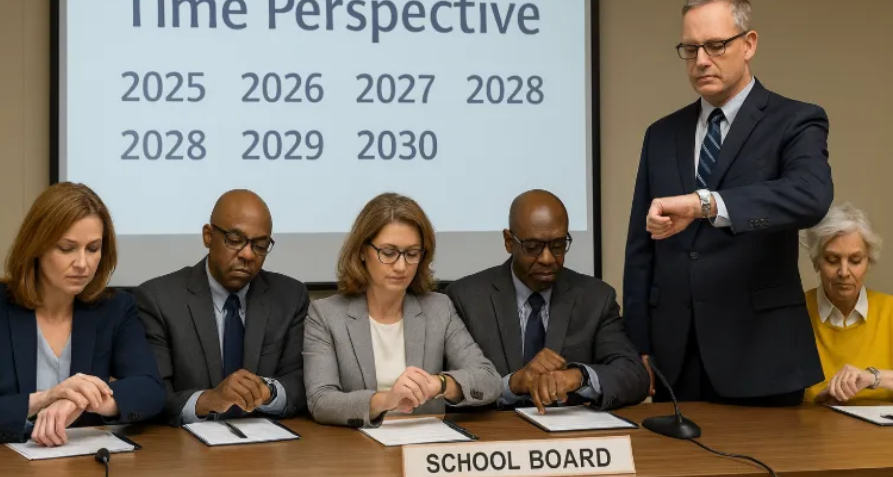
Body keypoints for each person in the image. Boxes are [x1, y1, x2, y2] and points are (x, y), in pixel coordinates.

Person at [623, 0, 833, 406]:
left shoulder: (794, 120)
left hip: (760, 354)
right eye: (690, 49)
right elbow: (640, 249)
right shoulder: (661, 134)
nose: (701, 60)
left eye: (716, 46)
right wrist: (637, 346)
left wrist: (706, 204)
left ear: (748, 44)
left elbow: (811, 196)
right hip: (674, 357)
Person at [303, 193, 500, 427]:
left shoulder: (439, 309)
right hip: (358, 443)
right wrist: (386, 400)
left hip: (426, 442)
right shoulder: (325, 315)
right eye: (388, 253)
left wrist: (439, 384)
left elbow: (489, 380)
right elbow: (321, 401)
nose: (401, 266)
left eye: (412, 254)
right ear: (362, 251)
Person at [447, 190, 649, 413]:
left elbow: (634, 375)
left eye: (558, 245)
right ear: (509, 242)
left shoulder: (596, 298)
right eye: (533, 247)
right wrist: (511, 385)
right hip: (495, 430)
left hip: (571, 432)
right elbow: (452, 389)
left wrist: (579, 376)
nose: (547, 258)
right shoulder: (467, 299)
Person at [0, 182, 165, 445]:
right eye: (67, 248)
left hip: (82, 458)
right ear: (36, 247)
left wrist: (85, 400)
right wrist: (45, 398)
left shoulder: (115, 308)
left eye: (93, 248)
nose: (82, 263)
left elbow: (151, 390)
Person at [135, 189, 308, 425]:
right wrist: (210, 400)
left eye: (260, 245)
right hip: (186, 443)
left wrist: (268, 391)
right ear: (208, 236)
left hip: (268, 440)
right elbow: (153, 395)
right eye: (235, 240)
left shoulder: (290, 297)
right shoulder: (158, 300)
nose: (247, 254)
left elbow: (301, 382)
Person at [800, 203, 893, 404]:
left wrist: (874, 377)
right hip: (815, 424)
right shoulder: (795, 314)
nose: (844, 272)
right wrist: (817, 403)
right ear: (817, 261)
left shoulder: (890, 311)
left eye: (855, 260)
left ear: (869, 261)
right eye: (832, 260)